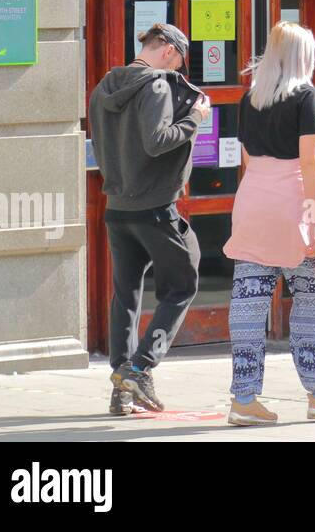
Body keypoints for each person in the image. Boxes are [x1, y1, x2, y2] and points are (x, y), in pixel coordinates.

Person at [223, 21, 315, 426]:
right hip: (293, 208)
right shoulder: (308, 98)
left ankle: (244, 400)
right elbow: (309, 163)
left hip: (253, 203)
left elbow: (247, 159)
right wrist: (314, 221)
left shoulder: (251, 98)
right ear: (304, 56)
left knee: (249, 299)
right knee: (314, 298)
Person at [88, 22, 210, 415]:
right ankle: (140, 367)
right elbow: (157, 142)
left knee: (126, 295)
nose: (177, 74)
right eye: (179, 63)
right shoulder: (157, 86)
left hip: (118, 208)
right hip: (155, 209)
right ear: (170, 52)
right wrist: (195, 118)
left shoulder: (104, 87)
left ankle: (122, 391)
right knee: (184, 282)